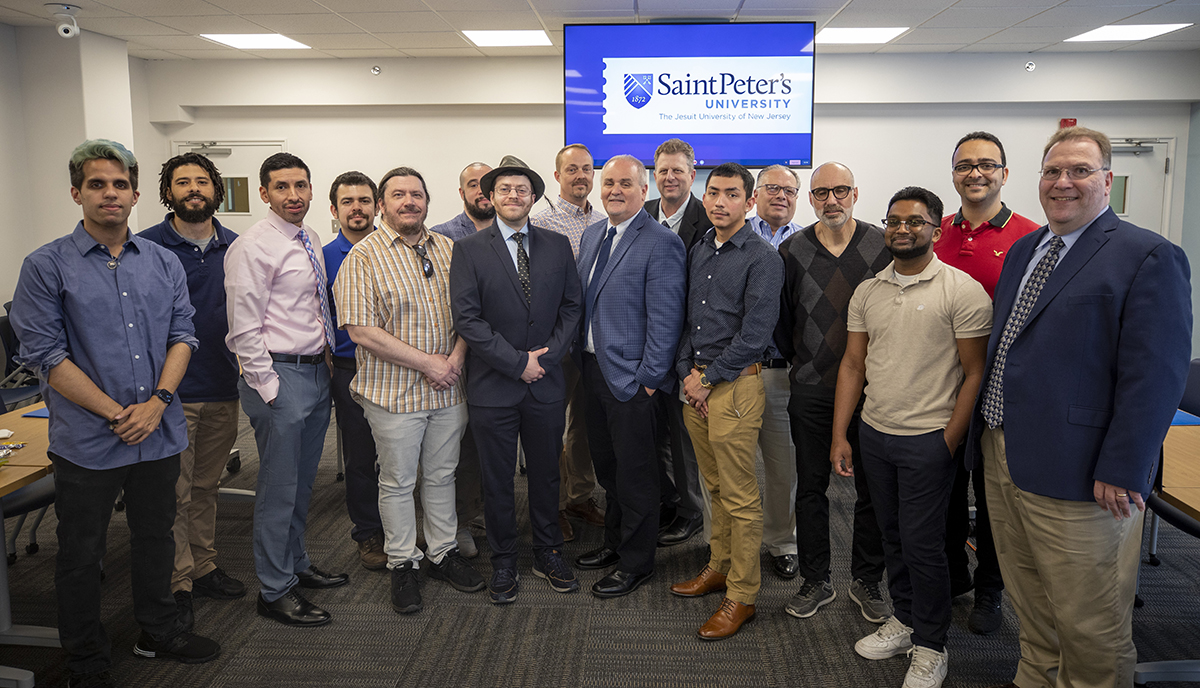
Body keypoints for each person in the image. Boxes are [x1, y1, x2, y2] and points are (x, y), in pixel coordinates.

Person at [967, 126, 1191, 688]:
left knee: (1089, 619)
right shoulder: (1026, 249)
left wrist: (1124, 466)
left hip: (1084, 469)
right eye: (1052, 171)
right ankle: (1038, 677)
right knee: (1031, 599)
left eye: (1080, 171)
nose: (1063, 182)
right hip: (1004, 450)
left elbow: (1155, 377)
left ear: (1108, 181)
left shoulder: (1147, 255)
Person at [12, 139, 219, 688]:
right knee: (82, 554)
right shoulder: (45, 266)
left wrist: (157, 405)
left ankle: (159, 630)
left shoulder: (163, 261)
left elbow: (183, 335)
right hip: (87, 440)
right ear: (76, 192)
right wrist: (119, 414)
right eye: (97, 184)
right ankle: (85, 658)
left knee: (156, 538)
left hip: (159, 432)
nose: (110, 194)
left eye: (120, 184)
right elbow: (46, 356)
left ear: (134, 194)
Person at [834, 186, 991, 688]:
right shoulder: (869, 291)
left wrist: (949, 440)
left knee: (924, 545)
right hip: (875, 434)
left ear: (936, 230)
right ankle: (905, 619)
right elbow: (853, 364)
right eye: (894, 221)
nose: (902, 229)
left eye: (915, 221)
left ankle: (931, 645)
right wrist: (841, 435)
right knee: (892, 537)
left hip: (929, 439)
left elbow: (975, 372)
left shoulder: (961, 290)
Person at [335, 166, 485, 615]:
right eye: (398, 195)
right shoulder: (362, 257)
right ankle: (403, 561)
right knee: (398, 481)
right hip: (394, 394)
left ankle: (442, 553)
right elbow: (360, 330)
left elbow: (471, 314)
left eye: (416, 194)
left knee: (442, 476)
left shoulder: (450, 249)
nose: (409, 202)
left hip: (448, 390)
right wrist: (428, 363)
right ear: (383, 204)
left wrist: (455, 360)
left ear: (427, 202)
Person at [450, 161, 583, 603]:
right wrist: (516, 363)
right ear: (491, 197)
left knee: (546, 475)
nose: (513, 195)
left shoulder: (557, 245)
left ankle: (548, 552)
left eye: (521, 189)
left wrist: (547, 358)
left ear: (532, 197)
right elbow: (468, 319)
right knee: (497, 479)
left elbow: (571, 307)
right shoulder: (468, 250)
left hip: (546, 381)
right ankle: (504, 559)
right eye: (504, 189)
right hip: (494, 386)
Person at [225, 152, 347, 628]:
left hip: (315, 372)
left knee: (302, 483)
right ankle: (274, 589)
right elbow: (243, 327)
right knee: (278, 489)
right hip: (278, 376)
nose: (293, 195)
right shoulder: (253, 246)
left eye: (300, 185)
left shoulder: (308, 237)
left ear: (311, 189)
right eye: (281, 187)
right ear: (264, 193)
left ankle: (296, 564)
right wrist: (270, 388)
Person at [670, 162, 783, 641]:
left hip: (735, 386)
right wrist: (687, 374)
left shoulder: (762, 258)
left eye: (732, 194)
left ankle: (743, 594)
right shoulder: (700, 249)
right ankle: (718, 566)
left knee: (740, 497)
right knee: (713, 489)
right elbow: (687, 321)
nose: (720, 202)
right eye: (713, 192)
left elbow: (754, 335)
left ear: (750, 201)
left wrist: (707, 379)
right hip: (696, 385)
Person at [934, 131, 1039, 635]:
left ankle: (991, 588)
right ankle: (954, 574)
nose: (975, 173)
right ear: (953, 173)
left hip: (998, 392)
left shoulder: (1031, 237)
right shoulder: (935, 232)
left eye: (986, 164)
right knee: (945, 490)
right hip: (938, 388)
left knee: (993, 495)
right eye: (964, 165)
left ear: (1004, 173)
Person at [777, 162, 891, 623]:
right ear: (810, 199)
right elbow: (783, 323)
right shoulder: (792, 250)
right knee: (810, 489)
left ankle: (867, 580)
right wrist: (806, 362)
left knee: (872, 490)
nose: (831, 200)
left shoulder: (883, 246)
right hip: (811, 387)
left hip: (873, 390)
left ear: (855, 194)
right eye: (821, 193)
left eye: (840, 191)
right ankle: (816, 579)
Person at [139, 153, 246, 630]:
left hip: (223, 385)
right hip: (169, 393)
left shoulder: (237, 247)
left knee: (206, 487)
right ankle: (178, 580)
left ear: (216, 190)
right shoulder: (145, 248)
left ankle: (203, 565)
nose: (193, 189)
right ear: (168, 192)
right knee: (175, 493)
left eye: (202, 181)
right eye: (182, 182)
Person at [574, 154, 686, 598]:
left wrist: (649, 381)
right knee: (609, 469)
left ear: (644, 191)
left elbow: (666, 320)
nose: (615, 191)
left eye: (625, 183)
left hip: (634, 381)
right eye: (609, 183)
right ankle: (615, 543)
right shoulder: (592, 234)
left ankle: (637, 563)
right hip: (592, 371)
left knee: (637, 476)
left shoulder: (661, 242)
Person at [530, 144, 607, 541]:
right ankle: (555, 504)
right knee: (550, 427)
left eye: (587, 169)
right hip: (556, 343)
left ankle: (580, 495)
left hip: (594, 344)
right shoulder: (540, 223)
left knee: (585, 425)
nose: (581, 176)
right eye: (572, 169)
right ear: (558, 176)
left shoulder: (605, 221)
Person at [643, 137, 711, 547]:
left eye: (678, 170)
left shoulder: (709, 219)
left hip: (688, 350)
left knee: (684, 437)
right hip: (646, 348)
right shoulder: (642, 213)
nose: (669, 177)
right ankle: (666, 500)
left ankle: (691, 511)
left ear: (692, 174)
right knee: (652, 435)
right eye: (663, 170)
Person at [323, 171, 387, 570]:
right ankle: (368, 533)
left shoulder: (394, 249)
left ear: (377, 206)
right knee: (361, 458)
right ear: (334, 210)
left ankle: (399, 527)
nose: (356, 208)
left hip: (398, 367)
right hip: (351, 368)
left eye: (364, 200)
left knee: (400, 456)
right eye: (347, 202)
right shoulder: (323, 257)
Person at [747, 164, 801, 579]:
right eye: (772, 188)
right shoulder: (732, 234)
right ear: (755, 194)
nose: (781, 195)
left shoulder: (808, 242)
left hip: (783, 373)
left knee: (784, 467)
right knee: (731, 468)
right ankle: (728, 545)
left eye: (790, 190)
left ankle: (782, 541)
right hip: (737, 372)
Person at [430, 162, 494, 241]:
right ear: (462, 193)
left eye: (487, 184)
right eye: (474, 185)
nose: (481, 190)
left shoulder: (508, 229)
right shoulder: (440, 236)